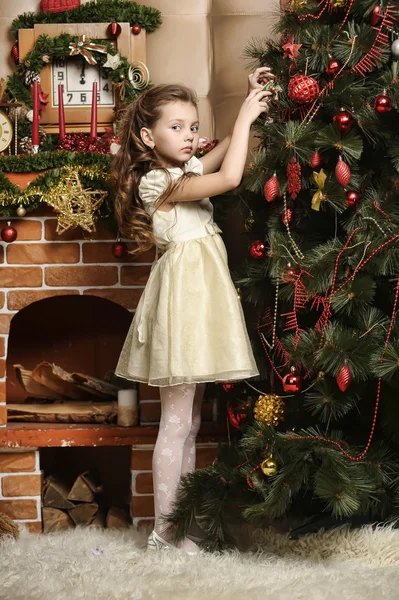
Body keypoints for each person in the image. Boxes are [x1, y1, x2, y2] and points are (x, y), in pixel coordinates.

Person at [112, 67, 274, 554]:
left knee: (192, 422)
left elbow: (213, 156)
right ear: (147, 136)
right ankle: (164, 534)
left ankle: (178, 527)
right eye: (175, 127)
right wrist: (246, 116)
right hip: (183, 305)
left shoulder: (181, 170)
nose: (189, 136)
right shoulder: (154, 182)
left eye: (191, 125)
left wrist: (242, 106)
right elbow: (229, 175)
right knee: (176, 421)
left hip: (202, 302)